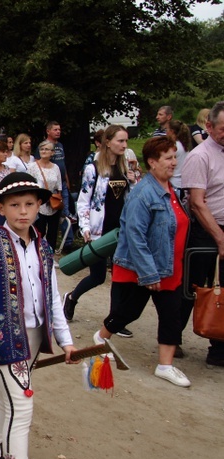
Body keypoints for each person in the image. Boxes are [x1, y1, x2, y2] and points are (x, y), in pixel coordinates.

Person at [0, 171, 77, 459]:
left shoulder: (43, 247)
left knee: (9, 397)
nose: (23, 211)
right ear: (1, 208)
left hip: (33, 337)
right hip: (1, 339)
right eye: (15, 204)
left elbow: (53, 295)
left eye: (30, 204)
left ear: (40, 206)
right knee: (22, 402)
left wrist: (66, 338)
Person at [94, 136, 190, 386]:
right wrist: (149, 273)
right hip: (144, 268)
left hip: (169, 266)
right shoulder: (144, 194)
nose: (173, 162)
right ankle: (101, 337)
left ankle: (165, 365)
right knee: (128, 312)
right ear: (152, 162)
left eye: (174, 157)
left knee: (172, 314)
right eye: (168, 158)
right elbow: (134, 235)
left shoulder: (170, 189)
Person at [63, 125, 138, 325]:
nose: (124, 145)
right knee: (97, 277)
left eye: (126, 141)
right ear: (108, 142)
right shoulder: (93, 169)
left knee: (119, 277)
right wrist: (85, 227)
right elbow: (83, 200)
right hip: (99, 230)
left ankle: (114, 320)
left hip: (121, 230)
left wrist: (133, 182)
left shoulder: (125, 169)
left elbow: (132, 199)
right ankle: (71, 298)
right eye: (120, 141)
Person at [180, 101, 224, 367]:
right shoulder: (200, 156)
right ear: (208, 126)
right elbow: (197, 203)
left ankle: (218, 349)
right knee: (192, 288)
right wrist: (219, 237)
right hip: (205, 231)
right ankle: (171, 340)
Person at [27, 141, 63, 249]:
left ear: (52, 152)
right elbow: (28, 186)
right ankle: (36, 254)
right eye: (42, 149)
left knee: (52, 233)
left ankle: (50, 256)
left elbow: (59, 186)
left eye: (46, 149)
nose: (43, 151)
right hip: (38, 203)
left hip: (52, 203)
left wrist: (58, 200)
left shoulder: (56, 167)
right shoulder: (32, 167)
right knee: (39, 231)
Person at [167, 119, 191, 191]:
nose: (166, 132)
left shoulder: (173, 147)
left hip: (172, 183)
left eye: (167, 130)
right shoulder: (184, 146)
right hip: (182, 183)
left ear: (171, 131)